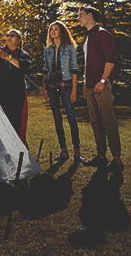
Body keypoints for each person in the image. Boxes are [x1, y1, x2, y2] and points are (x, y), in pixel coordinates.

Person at [78, 6, 124, 172]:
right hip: (89, 86)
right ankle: (101, 157)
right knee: (95, 122)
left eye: (81, 15)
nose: (78, 18)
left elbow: (110, 60)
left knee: (108, 121)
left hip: (101, 86)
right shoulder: (88, 36)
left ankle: (117, 159)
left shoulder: (103, 34)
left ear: (90, 15)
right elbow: (88, 64)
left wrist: (103, 81)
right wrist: (85, 84)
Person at [42, 21, 85, 163]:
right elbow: (45, 70)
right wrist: (44, 89)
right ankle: (64, 151)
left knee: (72, 119)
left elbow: (74, 70)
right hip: (52, 87)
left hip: (66, 86)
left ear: (62, 32)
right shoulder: (47, 49)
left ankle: (77, 152)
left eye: (56, 29)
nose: (53, 32)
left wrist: (74, 90)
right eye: (51, 30)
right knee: (57, 119)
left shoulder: (70, 48)